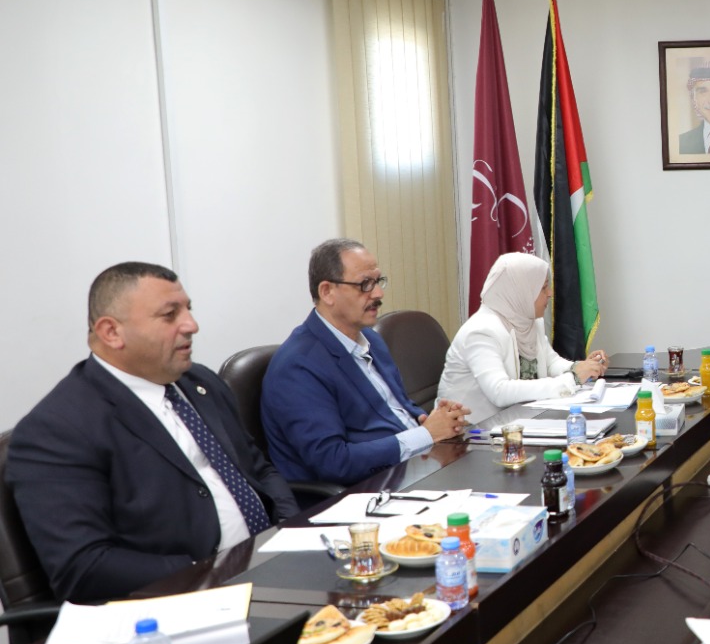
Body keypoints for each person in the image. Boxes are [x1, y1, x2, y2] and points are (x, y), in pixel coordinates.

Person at [6, 263, 300, 602]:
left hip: (270, 566)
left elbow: (257, 469)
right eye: (170, 315)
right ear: (111, 332)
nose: (191, 325)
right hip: (182, 600)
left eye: (188, 309)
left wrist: (289, 531)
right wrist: (209, 572)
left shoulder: (200, 382)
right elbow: (84, 567)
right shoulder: (57, 430)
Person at [262, 239, 469, 485]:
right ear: (327, 292)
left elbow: (398, 408)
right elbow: (333, 461)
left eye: (378, 281)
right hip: (362, 492)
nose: (378, 293)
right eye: (365, 284)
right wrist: (425, 434)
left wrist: (436, 420)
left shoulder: (370, 339)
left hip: (411, 469)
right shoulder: (298, 367)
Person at [437, 252, 609, 424]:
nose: (550, 293)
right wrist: (572, 379)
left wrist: (583, 367)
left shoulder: (526, 321)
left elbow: (551, 363)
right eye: (543, 288)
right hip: (471, 432)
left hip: (516, 423)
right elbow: (499, 391)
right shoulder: (481, 331)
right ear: (521, 291)